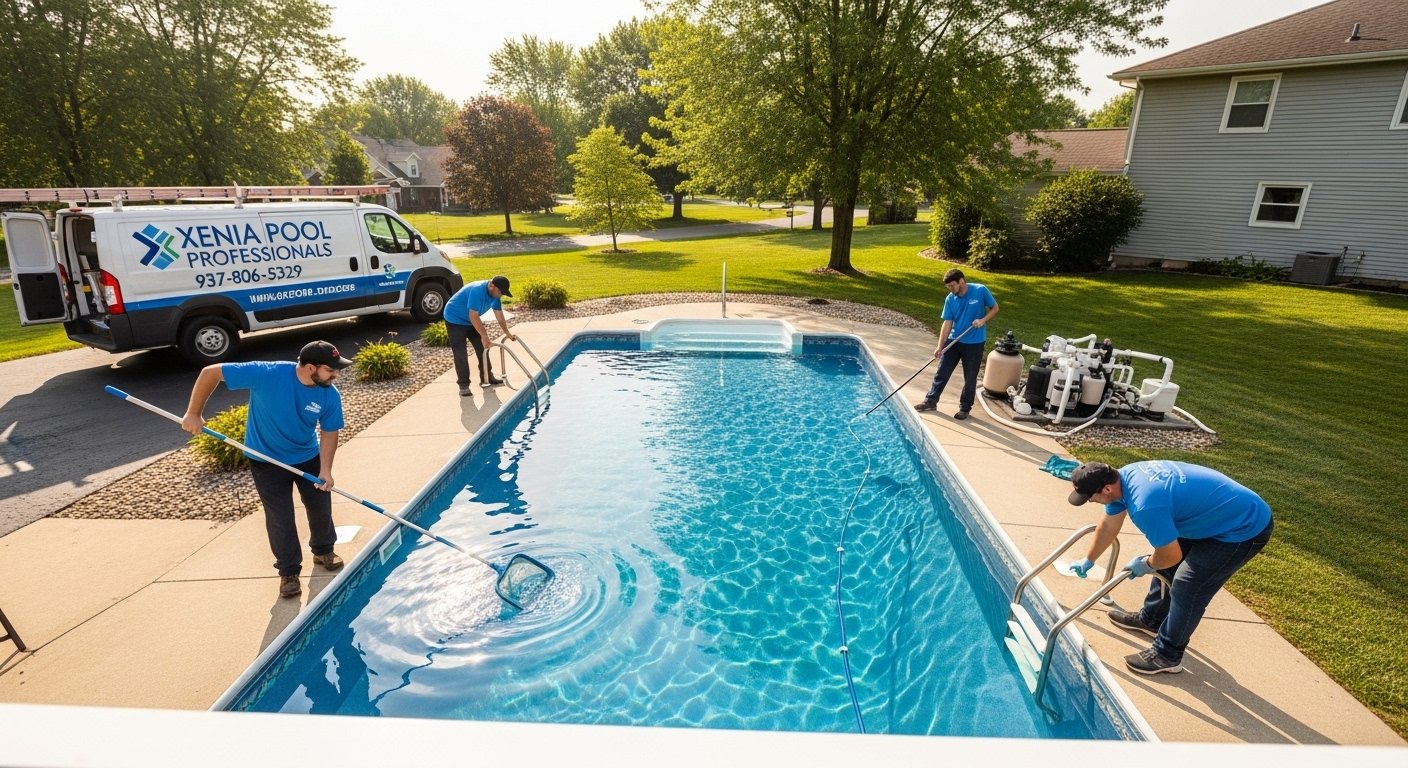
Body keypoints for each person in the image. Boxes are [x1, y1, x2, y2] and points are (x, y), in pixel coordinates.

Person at [1066, 460, 1275, 675]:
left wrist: (1146, 564)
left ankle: (1167, 655)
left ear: (1107, 489)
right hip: (1210, 516)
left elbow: (1170, 555)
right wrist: (1089, 559)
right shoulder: (1122, 479)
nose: (1091, 501)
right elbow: (1108, 525)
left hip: (1243, 526)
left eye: (1090, 497)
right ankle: (1151, 620)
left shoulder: (1145, 505)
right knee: (1165, 567)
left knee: (1188, 586)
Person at [181, 340, 352, 599]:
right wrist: (193, 413)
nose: (336, 374)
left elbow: (330, 432)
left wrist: (326, 470)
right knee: (280, 517)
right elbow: (211, 372)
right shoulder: (267, 373)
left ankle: (323, 551)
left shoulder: (329, 394)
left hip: (307, 455)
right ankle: (289, 572)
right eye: (330, 369)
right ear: (310, 368)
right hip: (266, 460)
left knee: (320, 506)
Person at [914, 268, 999, 419]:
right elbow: (947, 323)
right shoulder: (950, 298)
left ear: (961, 281)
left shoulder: (980, 290)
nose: (951, 289)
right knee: (942, 372)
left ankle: (965, 408)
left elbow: (995, 308)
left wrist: (983, 320)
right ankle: (930, 401)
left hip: (974, 343)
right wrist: (940, 346)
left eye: (953, 285)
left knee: (970, 377)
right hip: (954, 340)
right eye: (948, 287)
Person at [444, 275, 517, 396]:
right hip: (454, 319)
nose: (500, 295)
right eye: (500, 292)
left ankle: (487, 377)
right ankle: (463, 385)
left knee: (482, 348)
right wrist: (484, 336)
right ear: (491, 285)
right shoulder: (477, 290)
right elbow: (473, 315)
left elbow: (499, 316)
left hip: (470, 321)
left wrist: (507, 333)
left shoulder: (495, 295)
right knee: (460, 353)